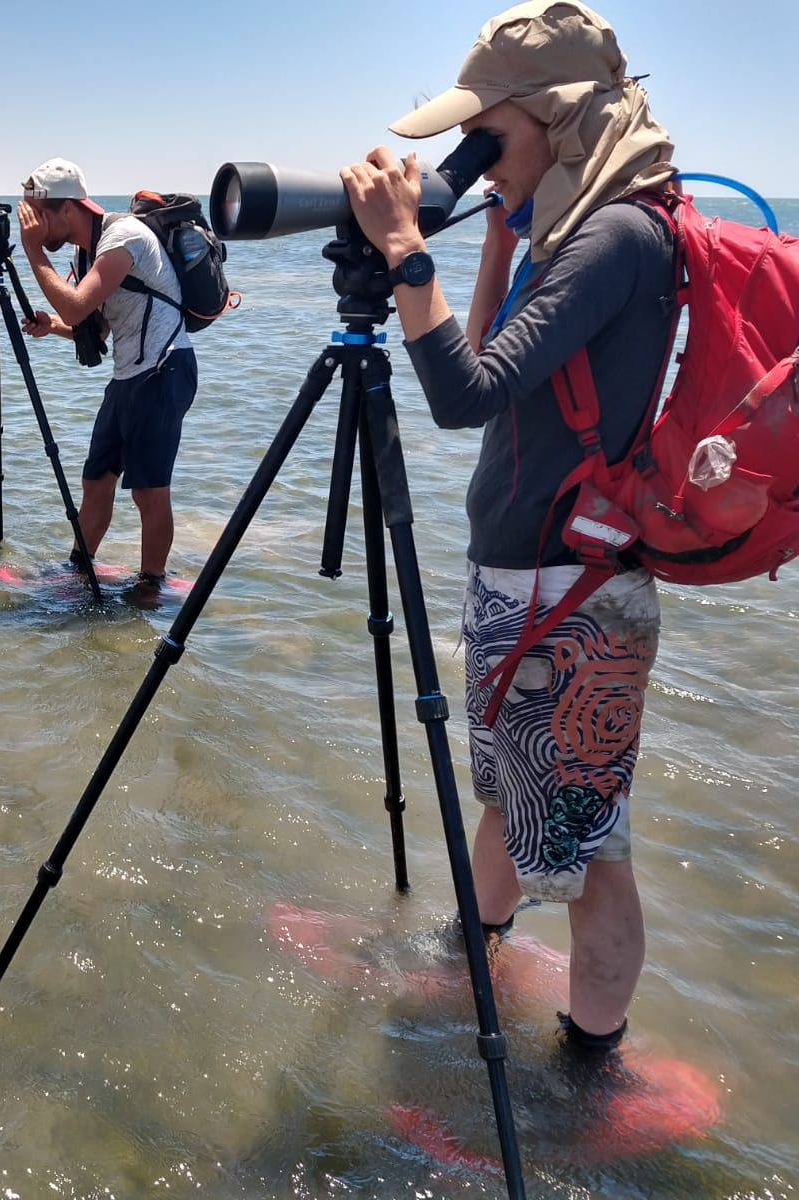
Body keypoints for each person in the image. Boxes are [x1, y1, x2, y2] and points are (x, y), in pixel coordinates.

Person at [339, 0, 678, 1066]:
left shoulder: (619, 234)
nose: (471, 157)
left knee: (591, 852)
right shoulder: (572, 228)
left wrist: (404, 251)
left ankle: (589, 1070)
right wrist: (495, 228)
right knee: (502, 796)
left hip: (571, 597)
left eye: (489, 134)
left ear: (559, 117)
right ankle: (466, 960)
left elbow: (459, 391)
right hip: (527, 581)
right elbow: (489, 353)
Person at [15, 157, 199, 603]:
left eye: (39, 218)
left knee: (148, 491)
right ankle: (79, 568)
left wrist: (33, 252)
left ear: (68, 208)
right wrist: (51, 325)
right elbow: (92, 325)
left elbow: (77, 305)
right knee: (97, 480)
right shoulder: (87, 250)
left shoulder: (123, 238)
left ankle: (151, 584)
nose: (36, 228)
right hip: (128, 376)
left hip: (163, 369)